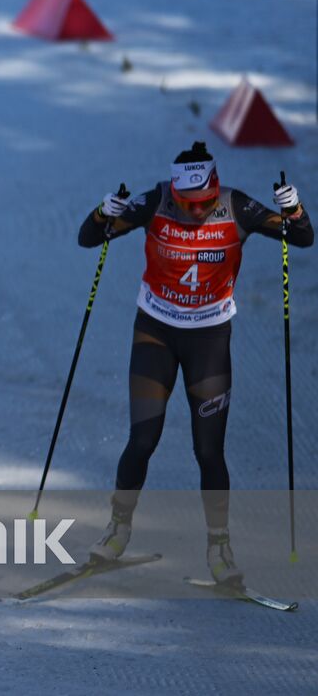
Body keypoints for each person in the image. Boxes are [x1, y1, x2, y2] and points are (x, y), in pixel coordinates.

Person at [80, 142, 311, 585]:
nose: (198, 211)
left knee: (209, 451)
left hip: (209, 338)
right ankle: (118, 529)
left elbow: (300, 237)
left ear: (216, 190)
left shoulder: (236, 206)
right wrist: (102, 212)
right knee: (143, 439)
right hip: (156, 333)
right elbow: (89, 238)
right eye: (188, 204)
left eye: (204, 202)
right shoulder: (156, 201)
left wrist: (295, 208)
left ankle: (219, 547)